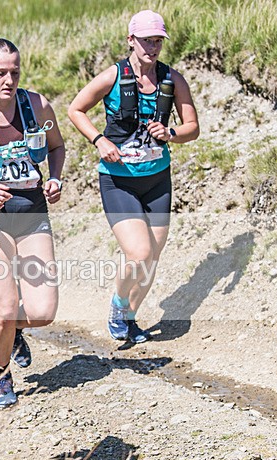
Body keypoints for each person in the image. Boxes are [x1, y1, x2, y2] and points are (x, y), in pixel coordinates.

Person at [68, 10, 199, 343]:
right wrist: (99, 140)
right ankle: (118, 303)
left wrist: (171, 133)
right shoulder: (113, 76)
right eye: (146, 41)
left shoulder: (173, 79)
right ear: (131, 40)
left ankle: (129, 318)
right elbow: (75, 110)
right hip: (118, 180)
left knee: (151, 260)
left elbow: (192, 128)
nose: (152, 48)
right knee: (139, 254)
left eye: (157, 42)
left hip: (157, 179)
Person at [0, 39, 65, 409]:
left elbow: (56, 146)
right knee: (5, 309)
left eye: (15, 72)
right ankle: (1, 373)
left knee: (41, 312)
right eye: (0, 72)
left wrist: (54, 178)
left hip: (33, 215)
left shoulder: (37, 105)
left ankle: (7, 331)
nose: (8, 80)